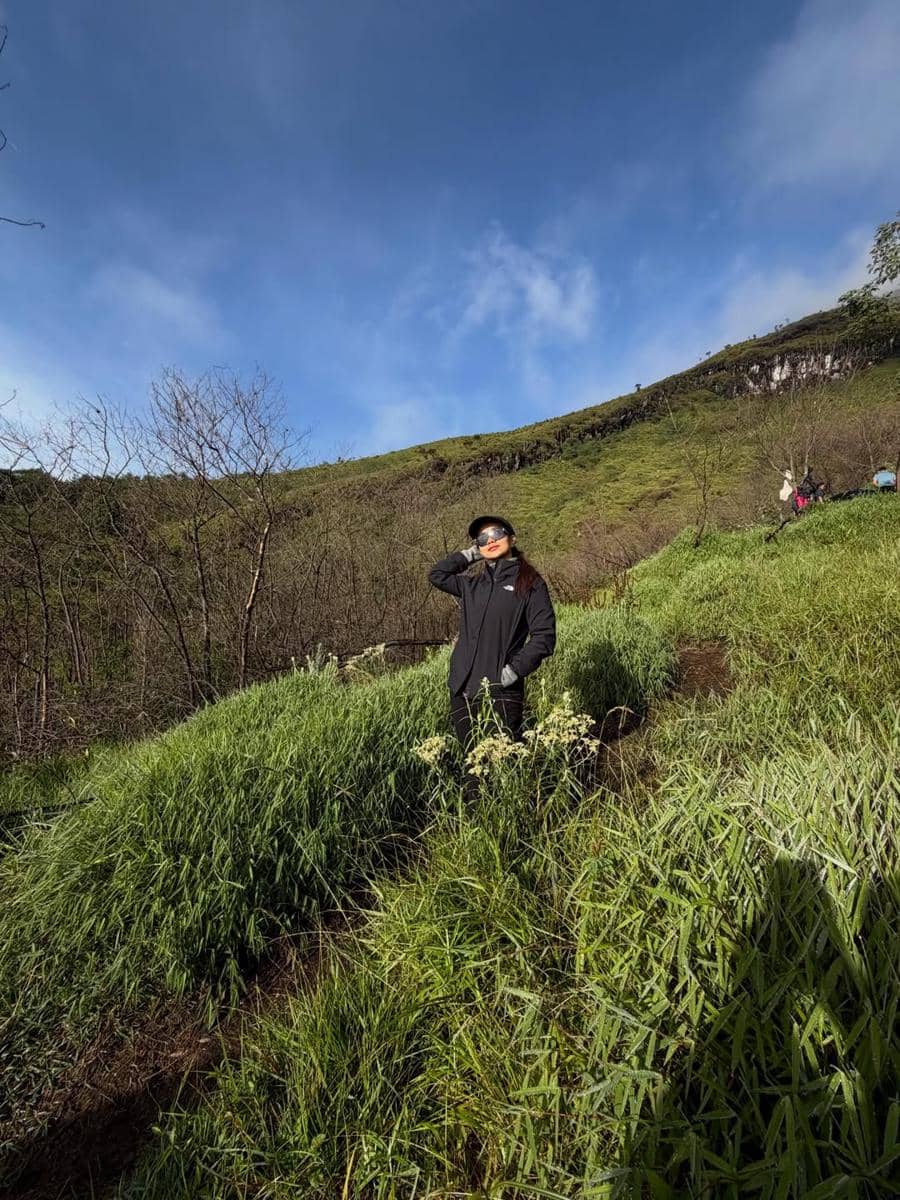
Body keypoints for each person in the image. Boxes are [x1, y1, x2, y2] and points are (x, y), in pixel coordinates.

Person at [428, 515, 556, 751]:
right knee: (471, 760)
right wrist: (471, 554)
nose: (490, 541)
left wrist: (512, 672)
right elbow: (437, 575)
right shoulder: (472, 585)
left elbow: (544, 637)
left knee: (502, 762)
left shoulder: (531, 584)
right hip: (461, 689)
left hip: (501, 691)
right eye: (482, 539)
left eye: (496, 533)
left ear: (512, 538)